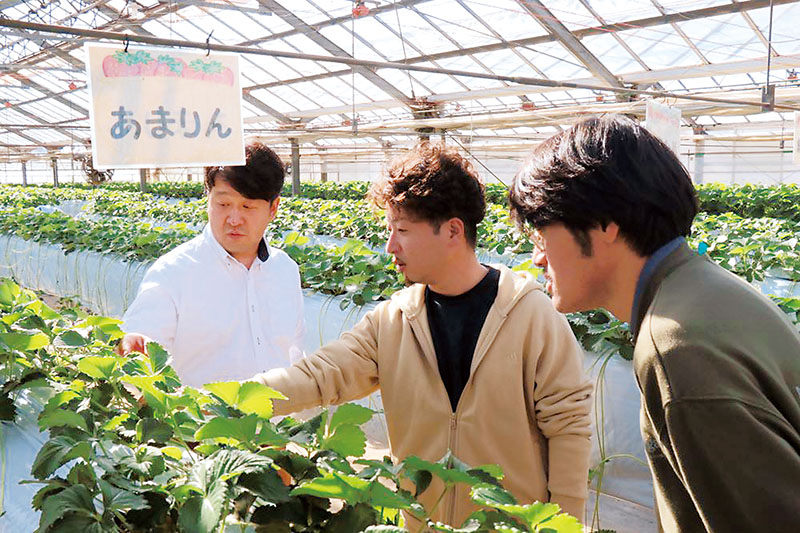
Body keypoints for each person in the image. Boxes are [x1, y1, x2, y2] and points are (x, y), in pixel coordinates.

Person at [251, 142, 592, 527]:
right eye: (388, 230)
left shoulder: (532, 315)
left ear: (452, 230)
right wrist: (231, 401)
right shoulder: (393, 320)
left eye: (402, 231)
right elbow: (319, 375)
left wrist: (565, 524)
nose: (389, 246)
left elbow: (569, 431)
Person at [508, 114, 800, 532]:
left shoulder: (676, 347)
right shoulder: (708, 291)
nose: (538, 258)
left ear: (605, 222)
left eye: (541, 232)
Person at [119, 142, 305, 388]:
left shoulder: (285, 270)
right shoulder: (174, 273)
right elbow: (141, 347)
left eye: (248, 206)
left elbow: (294, 352)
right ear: (208, 199)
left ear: (273, 208)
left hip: (277, 423)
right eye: (223, 204)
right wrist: (133, 347)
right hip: (205, 425)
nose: (234, 219)